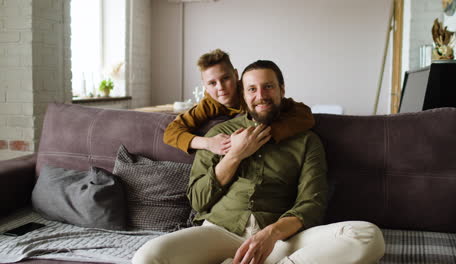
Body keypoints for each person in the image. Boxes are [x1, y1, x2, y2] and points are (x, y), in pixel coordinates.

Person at [133, 60, 385, 264]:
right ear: (243, 94)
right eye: (252, 89)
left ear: (282, 90)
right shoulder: (218, 135)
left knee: (367, 236)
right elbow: (198, 199)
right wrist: (234, 155)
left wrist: (271, 234)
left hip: (281, 241)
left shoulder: (306, 140)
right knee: (147, 257)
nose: (260, 95)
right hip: (219, 232)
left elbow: (312, 204)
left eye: (269, 87)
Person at [163, 49, 315, 155]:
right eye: (212, 83)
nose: (221, 87)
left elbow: (304, 114)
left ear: (236, 75)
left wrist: (267, 135)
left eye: (225, 78)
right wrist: (208, 143)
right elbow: (171, 132)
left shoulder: (252, 92)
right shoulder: (208, 104)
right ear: (205, 87)